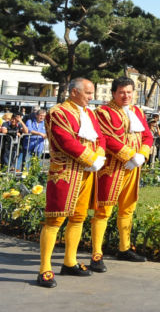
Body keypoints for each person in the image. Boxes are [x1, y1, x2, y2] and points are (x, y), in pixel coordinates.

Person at [37, 78, 106, 288]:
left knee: (78, 217)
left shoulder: (90, 113)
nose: (91, 97)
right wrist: (90, 158)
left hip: (87, 172)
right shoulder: (58, 112)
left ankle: (70, 261)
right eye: (88, 92)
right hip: (66, 172)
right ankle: (44, 269)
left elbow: (100, 137)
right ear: (74, 92)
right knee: (54, 220)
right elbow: (64, 140)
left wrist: (100, 155)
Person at [91, 77, 153, 271]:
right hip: (111, 168)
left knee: (128, 208)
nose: (126, 96)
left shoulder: (137, 111)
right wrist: (128, 155)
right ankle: (96, 254)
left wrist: (142, 154)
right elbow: (107, 139)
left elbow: (147, 136)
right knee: (104, 210)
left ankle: (124, 247)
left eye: (129, 92)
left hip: (134, 167)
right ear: (113, 93)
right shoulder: (103, 112)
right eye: (121, 92)